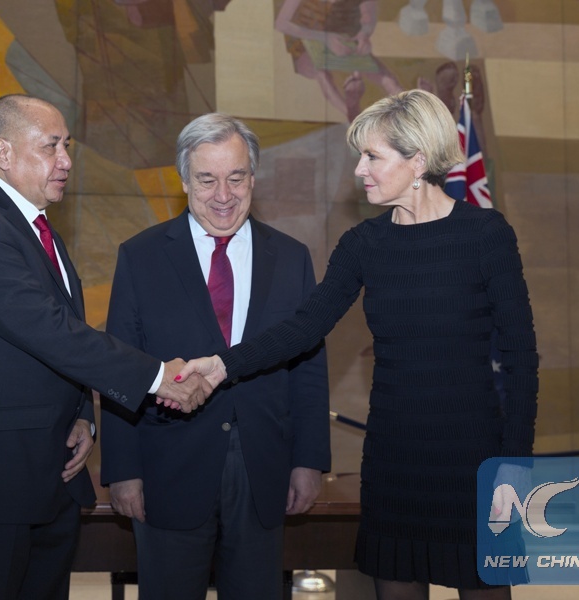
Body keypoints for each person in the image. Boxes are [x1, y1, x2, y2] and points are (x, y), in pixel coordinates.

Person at [175, 89, 539, 600]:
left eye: (372, 156)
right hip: (393, 458)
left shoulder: (485, 234)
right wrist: (221, 365)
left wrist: (515, 466)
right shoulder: (364, 243)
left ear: (418, 161)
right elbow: (304, 327)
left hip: (475, 458)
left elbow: (522, 357)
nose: (359, 170)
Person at [0, 94, 212, 600]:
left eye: (66, 146)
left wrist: (81, 415)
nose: (67, 161)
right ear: (4, 153)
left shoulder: (37, 228)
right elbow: (47, 329)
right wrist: (159, 377)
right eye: (51, 146)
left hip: (50, 477)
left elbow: (56, 337)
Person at [100, 113, 330, 599]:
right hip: (168, 471)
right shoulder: (140, 256)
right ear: (184, 180)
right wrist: (122, 470)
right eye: (207, 179)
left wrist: (309, 461)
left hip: (264, 469)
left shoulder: (291, 258)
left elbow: (308, 368)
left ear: (253, 177)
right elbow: (120, 368)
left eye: (236, 177)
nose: (223, 194)